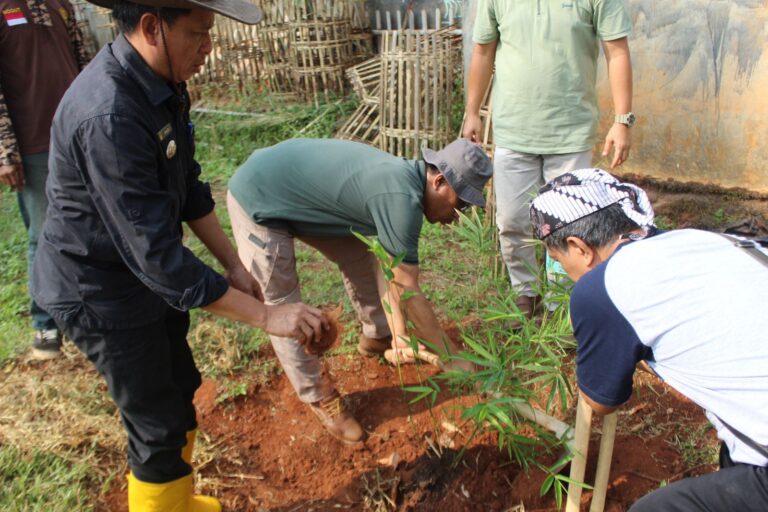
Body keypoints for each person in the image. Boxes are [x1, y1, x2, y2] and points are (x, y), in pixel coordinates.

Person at [30, 0, 326, 509]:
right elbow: (159, 258)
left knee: (180, 385)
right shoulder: (109, 115)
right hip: (98, 290)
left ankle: (178, 502)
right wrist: (267, 316)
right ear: (152, 27)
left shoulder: (162, 84)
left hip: (140, 275)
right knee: (156, 424)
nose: (208, 47)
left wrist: (233, 265)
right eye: (197, 33)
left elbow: (185, 185)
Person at [529, 169, 768, 511]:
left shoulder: (600, 288)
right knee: (733, 456)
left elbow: (601, 402)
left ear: (579, 248)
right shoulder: (697, 241)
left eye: (557, 260)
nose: (562, 272)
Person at [226, 137, 493, 444]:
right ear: (439, 181)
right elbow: (407, 289)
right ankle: (320, 396)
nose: (460, 214)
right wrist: (452, 357)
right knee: (282, 303)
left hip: (301, 193)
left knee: (362, 261)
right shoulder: (400, 198)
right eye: (462, 203)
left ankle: (378, 337)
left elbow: (392, 271)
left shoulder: (406, 185)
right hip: (259, 196)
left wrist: (400, 333)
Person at [463, 0, 635, 319]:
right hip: (513, 130)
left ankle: (561, 302)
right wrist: (472, 111)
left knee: (568, 225)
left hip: (571, 132)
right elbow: (483, 51)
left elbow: (617, 51)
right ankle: (525, 292)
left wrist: (623, 120)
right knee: (511, 221)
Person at [0, 0, 90, 359]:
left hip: (78, 134)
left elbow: (85, 65)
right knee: (44, 232)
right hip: (33, 142)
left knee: (89, 223)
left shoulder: (61, 5)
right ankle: (45, 322)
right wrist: (5, 150)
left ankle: (85, 308)